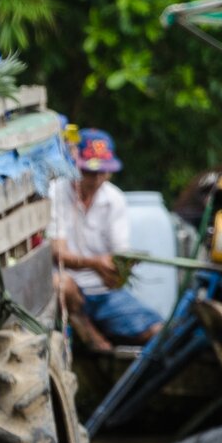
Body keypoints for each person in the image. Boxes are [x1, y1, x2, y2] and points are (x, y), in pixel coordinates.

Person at [49, 128, 163, 350]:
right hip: (70, 290)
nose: (98, 179)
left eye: (104, 172)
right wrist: (95, 263)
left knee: (158, 331)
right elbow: (57, 253)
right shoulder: (56, 193)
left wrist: (120, 269)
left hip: (103, 293)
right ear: (75, 165)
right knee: (61, 284)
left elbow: (119, 254)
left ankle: (106, 332)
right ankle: (86, 329)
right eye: (91, 173)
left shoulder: (115, 200)